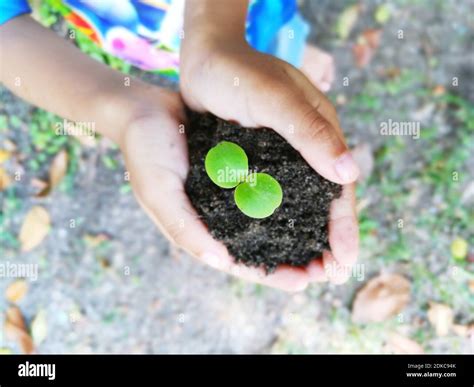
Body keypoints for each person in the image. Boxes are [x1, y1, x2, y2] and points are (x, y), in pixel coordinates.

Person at [0, 0, 359, 292]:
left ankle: (287, 43)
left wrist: (213, 33)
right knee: (249, 69)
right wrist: (127, 114)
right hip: (144, 33)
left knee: (268, 50)